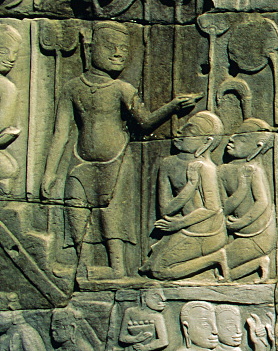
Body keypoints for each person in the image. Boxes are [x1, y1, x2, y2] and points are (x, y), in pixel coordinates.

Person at [42, 22, 200, 279]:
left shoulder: (122, 89)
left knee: (111, 215)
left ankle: (116, 267)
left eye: (124, 49)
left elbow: (145, 122)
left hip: (115, 159)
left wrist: (173, 106)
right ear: (91, 49)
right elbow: (60, 133)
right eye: (110, 47)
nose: (118, 53)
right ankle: (81, 264)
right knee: (75, 208)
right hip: (80, 160)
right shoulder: (73, 88)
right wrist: (49, 173)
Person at [145, 111, 228, 281]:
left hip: (207, 231)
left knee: (158, 270)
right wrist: (191, 185)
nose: (179, 133)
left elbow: (212, 208)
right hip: (182, 228)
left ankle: (216, 258)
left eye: (190, 132)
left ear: (206, 142)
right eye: (183, 128)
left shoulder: (206, 168)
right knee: (151, 266)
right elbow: (166, 210)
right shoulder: (167, 164)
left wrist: (179, 223)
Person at [220, 118, 277, 281]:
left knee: (218, 264)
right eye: (234, 135)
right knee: (217, 266)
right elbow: (224, 207)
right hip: (237, 233)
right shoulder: (222, 171)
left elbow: (262, 202)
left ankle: (260, 262)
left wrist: (241, 222)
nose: (231, 139)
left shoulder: (253, 170)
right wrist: (242, 189)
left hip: (259, 235)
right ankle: (258, 265)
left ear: (257, 147)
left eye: (242, 138)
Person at [118, 287, 170, 351]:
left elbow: (163, 341)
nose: (163, 298)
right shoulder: (130, 312)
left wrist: (145, 348)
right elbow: (122, 337)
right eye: (155, 295)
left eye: (162, 295)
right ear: (144, 298)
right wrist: (135, 339)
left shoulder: (157, 317)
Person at [0, 24, 21, 195]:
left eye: (15, 53)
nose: (11, 59)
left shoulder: (7, 87)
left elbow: (3, 125)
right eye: (4, 52)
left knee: (9, 170)